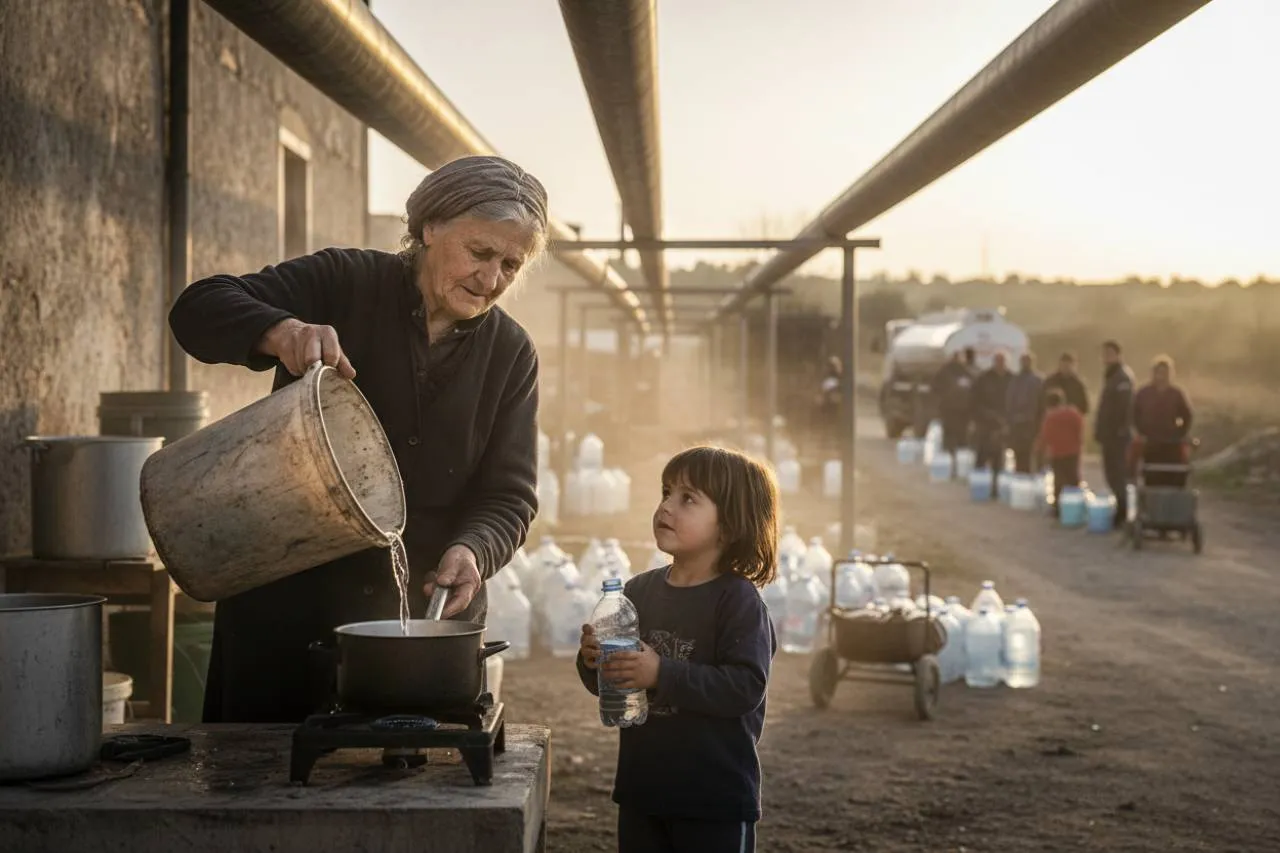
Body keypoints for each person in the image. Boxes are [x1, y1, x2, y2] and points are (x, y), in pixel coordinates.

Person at [168, 155, 547, 722]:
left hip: (418, 621)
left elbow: (509, 494)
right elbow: (196, 309)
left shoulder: (511, 354)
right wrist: (281, 331)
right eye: (480, 252)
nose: (491, 280)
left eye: (511, 265)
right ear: (430, 226)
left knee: (406, 767)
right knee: (262, 764)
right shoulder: (343, 282)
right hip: (287, 602)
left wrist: (474, 549)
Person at [576, 446, 779, 853]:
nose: (666, 506)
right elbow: (611, 684)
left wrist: (660, 674)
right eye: (666, 492)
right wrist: (594, 660)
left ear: (729, 525)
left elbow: (744, 687)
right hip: (643, 792)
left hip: (714, 802)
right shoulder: (638, 591)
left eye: (688, 499)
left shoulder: (738, 601)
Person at [1133, 356, 1194, 488]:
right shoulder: (1144, 393)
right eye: (1158, 372)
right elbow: (1134, 414)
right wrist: (1141, 431)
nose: (1161, 376)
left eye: (1164, 372)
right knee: (1152, 477)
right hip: (1150, 442)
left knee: (1172, 477)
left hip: (1171, 443)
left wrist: (1180, 433)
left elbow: (1187, 415)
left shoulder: (1176, 393)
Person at [1094, 340, 1136, 529]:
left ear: (1118, 355)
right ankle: (1120, 510)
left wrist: (1120, 431)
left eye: (1110, 353)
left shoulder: (1123, 377)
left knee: (1118, 475)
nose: (1106, 357)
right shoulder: (1111, 376)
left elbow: (1125, 409)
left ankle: (1123, 513)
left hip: (1118, 437)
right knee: (1111, 474)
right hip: (1108, 435)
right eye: (1104, 354)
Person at [1034, 389, 1084, 516]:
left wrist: (1039, 451)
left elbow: (1045, 436)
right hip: (1073, 452)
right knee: (1073, 479)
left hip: (1057, 454)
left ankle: (1058, 509)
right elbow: (1080, 429)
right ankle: (1077, 507)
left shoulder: (1050, 417)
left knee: (1059, 482)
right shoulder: (1073, 413)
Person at [931, 347, 977, 477]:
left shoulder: (966, 372)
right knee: (949, 440)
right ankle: (948, 467)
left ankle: (960, 468)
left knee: (962, 441)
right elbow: (935, 388)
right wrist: (943, 401)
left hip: (963, 414)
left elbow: (974, 391)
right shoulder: (945, 371)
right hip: (948, 413)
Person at [972, 352, 1013, 497]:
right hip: (985, 423)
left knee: (999, 458)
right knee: (981, 456)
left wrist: (1006, 419)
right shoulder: (984, 378)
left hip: (1003, 424)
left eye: (1003, 361)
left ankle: (996, 488)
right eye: (998, 361)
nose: (1000, 364)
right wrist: (986, 415)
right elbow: (975, 400)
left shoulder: (1011, 378)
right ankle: (979, 487)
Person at [1005, 352, 1044, 474]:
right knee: (1018, 451)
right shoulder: (1015, 379)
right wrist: (1010, 417)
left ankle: (1033, 474)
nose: (1025, 364)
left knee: (1033, 451)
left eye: (1028, 361)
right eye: (1023, 361)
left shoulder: (1038, 380)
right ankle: (1020, 473)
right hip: (1017, 422)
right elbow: (1010, 400)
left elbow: (1041, 401)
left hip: (1032, 422)